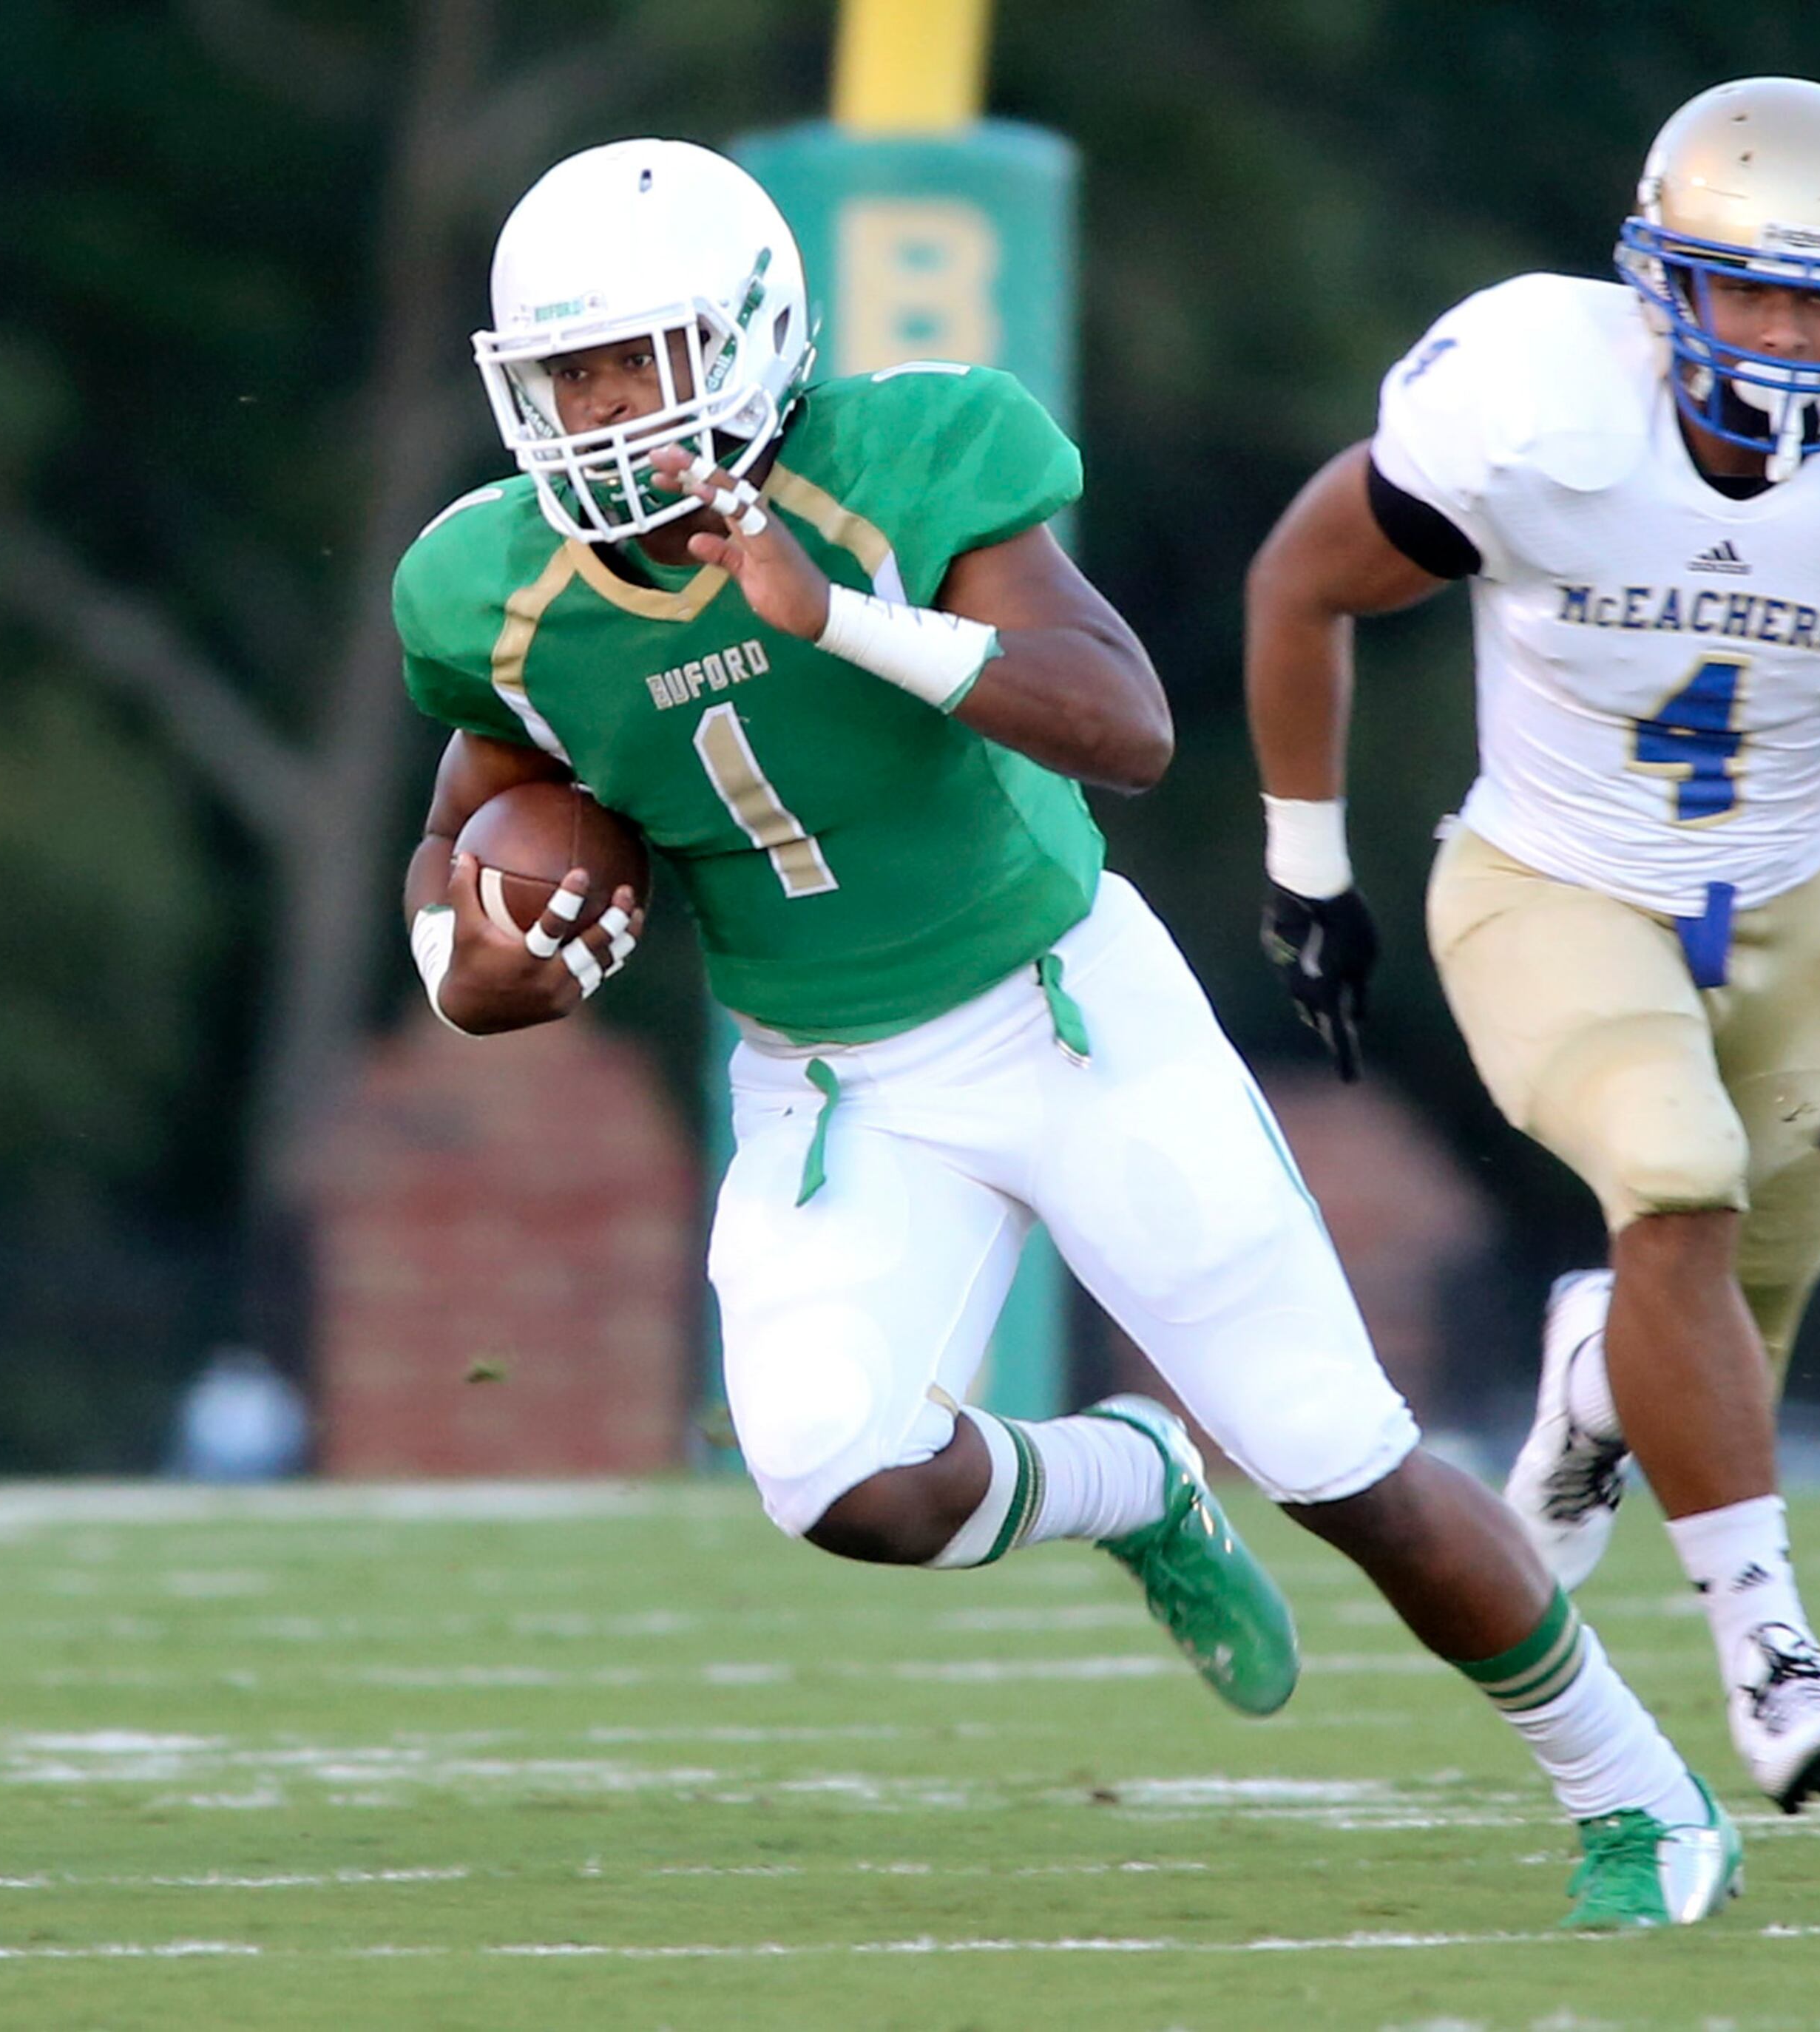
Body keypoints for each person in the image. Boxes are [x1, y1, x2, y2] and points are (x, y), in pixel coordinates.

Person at [393, 138, 1740, 1931]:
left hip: (1059, 1012)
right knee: (834, 1482)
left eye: (636, 362)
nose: (603, 414)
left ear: (747, 340)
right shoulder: (488, 588)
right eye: (568, 378)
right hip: (826, 1082)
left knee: (1339, 1458)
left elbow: (1125, 724)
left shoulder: (906, 460)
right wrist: (461, 961)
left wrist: (842, 617)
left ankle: (1642, 1801)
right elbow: (464, 810)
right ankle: (1129, 1482)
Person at [1244, 78, 1820, 1813]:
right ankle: (1771, 1654)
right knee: (1678, 1183)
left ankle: (1594, 1368)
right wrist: (1305, 866)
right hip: (1553, 886)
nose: (1781, 332)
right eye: (1742, 287)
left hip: (1792, 911)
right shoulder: (1535, 414)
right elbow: (1302, 582)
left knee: (1734, 1324)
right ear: (1657, 282)